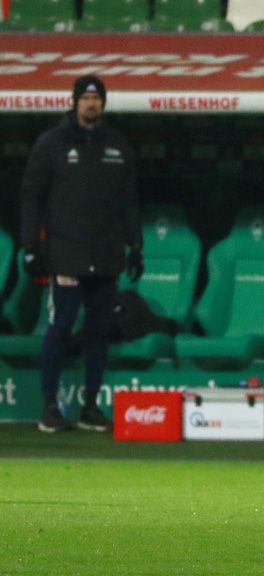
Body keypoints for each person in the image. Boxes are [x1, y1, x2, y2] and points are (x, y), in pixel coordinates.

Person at [20, 75, 143, 433]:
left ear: (104, 103)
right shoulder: (51, 143)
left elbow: (129, 202)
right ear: (74, 102)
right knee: (60, 328)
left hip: (106, 256)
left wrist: (136, 246)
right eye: (86, 98)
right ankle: (49, 406)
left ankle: (90, 406)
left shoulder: (117, 146)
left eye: (97, 99)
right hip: (66, 255)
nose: (91, 104)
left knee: (99, 332)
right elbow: (31, 197)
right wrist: (30, 246)